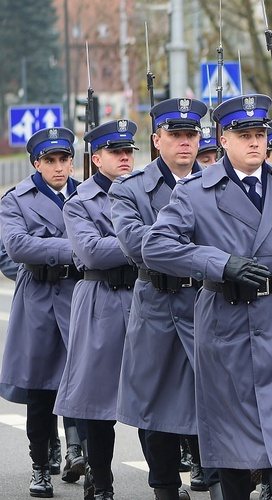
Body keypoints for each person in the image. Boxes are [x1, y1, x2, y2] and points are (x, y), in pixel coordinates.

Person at [141, 93, 272, 500]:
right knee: (232, 453)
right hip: (226, 330)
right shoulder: (197, 190)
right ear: (223, 139)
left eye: (260, 134)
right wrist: (220, 263)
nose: (254, 142)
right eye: (243, 134)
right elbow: (156, 246)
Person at [109, 98, 208, 500]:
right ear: (157, 140)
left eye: (191, 134)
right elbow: (137, 246)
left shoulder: (218, 182)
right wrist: (201, 253)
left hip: (207, 303)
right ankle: (165, 484)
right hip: (157, 304)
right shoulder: (129, 189)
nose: (185, 143)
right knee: (154, 402)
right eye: (176, 135)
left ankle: (217, 475)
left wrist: (175, 246)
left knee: (215, 396)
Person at [54, 120, 139, 500]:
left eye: (129, 152)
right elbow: (90, 251)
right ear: (97, 157)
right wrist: (144, 242)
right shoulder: (79, 202)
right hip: (100, 298)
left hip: (141, 295)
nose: (125, 158)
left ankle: (167, 479)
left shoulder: (144, 191)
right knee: (97, 402)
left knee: (155, 394)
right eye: (116, 152)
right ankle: (101, 482)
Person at [0, 127, 84, 498]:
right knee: (39, 387)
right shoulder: (17, 198)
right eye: (50, 160)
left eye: (64, 159)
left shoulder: (88, 192)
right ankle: (39, 465)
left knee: (83, 382)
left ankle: (78, 453)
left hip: (81, 295)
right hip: (39, 296)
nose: (59, 167)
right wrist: (79, 247)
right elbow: (17, 246)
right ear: (36, 163)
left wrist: (47, 247)